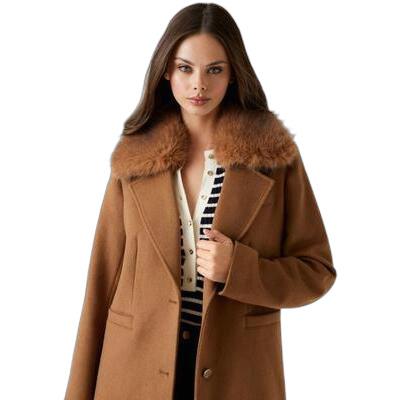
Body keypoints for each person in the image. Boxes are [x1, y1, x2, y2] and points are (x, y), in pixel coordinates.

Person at [64, 3, 337, 400]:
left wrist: (240, 269)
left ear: (233, 73)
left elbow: (317, 271)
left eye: (214, 70)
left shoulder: (274, 158)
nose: (198, 85)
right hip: (134, 372)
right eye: (185, 68)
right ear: (166, 71)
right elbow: (101, 284)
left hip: (238, 374)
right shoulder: (134, 159)